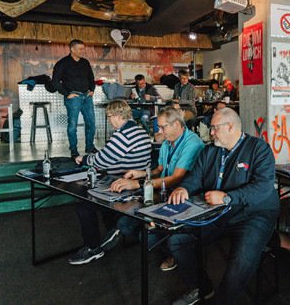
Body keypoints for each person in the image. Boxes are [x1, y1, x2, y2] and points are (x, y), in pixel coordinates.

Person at [167, 108, 279, 304]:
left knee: (240, 261)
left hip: (254, 214)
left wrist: (227, 197)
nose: (210, 133)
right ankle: (203, 287)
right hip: (218, 212)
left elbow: (262, 188)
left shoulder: (258, 148)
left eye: (214, 128)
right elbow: (195, 178)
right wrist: (184, 188)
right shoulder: (209, 151)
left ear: (230, 126)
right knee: (178, 240)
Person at [110, 106, 205, 271]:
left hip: (182, 195)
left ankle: (174, 251)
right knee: (124, 224)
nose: (159, 131)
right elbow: (160, 171)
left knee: (146, 236)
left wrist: (139, 184)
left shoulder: (192, 143)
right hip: (162, 192)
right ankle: (161, 240)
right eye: (159, 127)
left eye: (162, 127)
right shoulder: (168, 142)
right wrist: (141, 174)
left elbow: (176, 178)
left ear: (176, 124)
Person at [68, 100, 152, 265]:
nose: (108, 120)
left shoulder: (123, 134)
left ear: (119, 116)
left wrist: (83, 158)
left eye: (109, 116)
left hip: (127, 186)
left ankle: (93, 249)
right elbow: (112, 154)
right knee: (97, 197)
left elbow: (104, 159)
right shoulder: (138, 130)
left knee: (84, 205)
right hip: (138, 183)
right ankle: (113, 230)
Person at [52, 39, 97, 158]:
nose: (83, 51)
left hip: (87, 96)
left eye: (84, 48)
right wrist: (67, 94)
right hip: (73, 97)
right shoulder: (62, 63)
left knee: (91, 123)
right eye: (81, 49)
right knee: (73, 125)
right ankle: (73, 150)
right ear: (72, 49)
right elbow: (55, 82)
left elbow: (91, 78)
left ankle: (90, 147)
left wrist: (92, 90)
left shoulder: (85, 62)